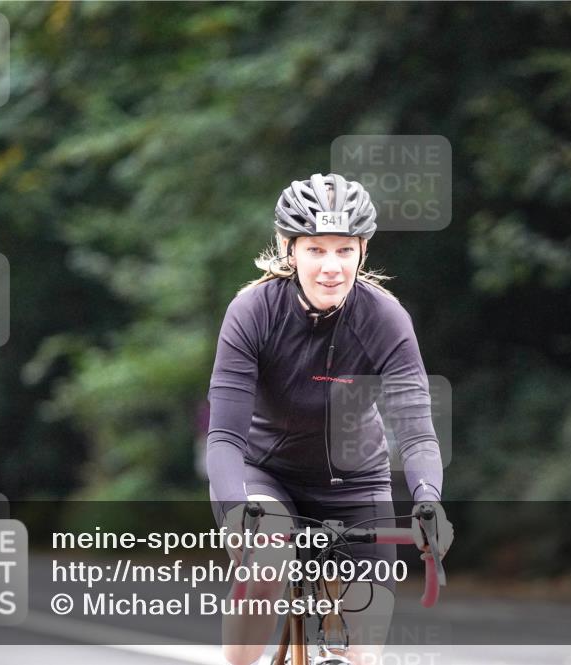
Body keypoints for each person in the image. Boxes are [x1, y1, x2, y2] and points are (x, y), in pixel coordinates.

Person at [206, 173, 454, 665]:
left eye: (344, 250)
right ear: (288, 248)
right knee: (269, 554)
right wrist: (236, 511)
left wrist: (428, 502)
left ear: (363, 250)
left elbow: (418, 432)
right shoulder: (253, 311)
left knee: (363, 655)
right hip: (267, 474)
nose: (331, 268)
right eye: (316, 249)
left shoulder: (385, 318)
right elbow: (223, 438)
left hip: (355, 482)